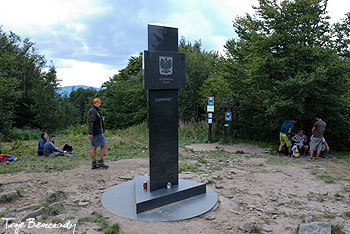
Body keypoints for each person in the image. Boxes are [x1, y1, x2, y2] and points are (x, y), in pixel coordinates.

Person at [87, 98, 108, 169]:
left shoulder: (94, 110)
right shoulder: (93, 111)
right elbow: (90, 122)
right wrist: (90, 133)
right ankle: (100, 162)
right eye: (98, 103)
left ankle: (94, 164)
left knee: (93, 147)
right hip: (96, 132)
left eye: (100, 102)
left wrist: (100, 118)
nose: (100, 104)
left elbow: (94, 120)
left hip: (94, 132)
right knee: (104, 146)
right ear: (94, 103)